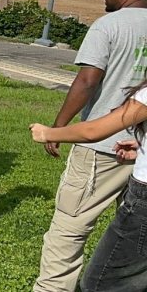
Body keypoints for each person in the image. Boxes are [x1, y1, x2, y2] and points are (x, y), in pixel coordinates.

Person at [33, 0, 147, 292]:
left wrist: (58, 127)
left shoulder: (108, 26)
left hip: (101, 148)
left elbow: (87, 80)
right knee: (134, 235)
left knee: (68, 230)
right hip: (140, 152)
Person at [31, 71, 147, 291]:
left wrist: (48, 133)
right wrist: (141, 150)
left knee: (99, 282)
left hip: (143, 201)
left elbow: (93, 131)